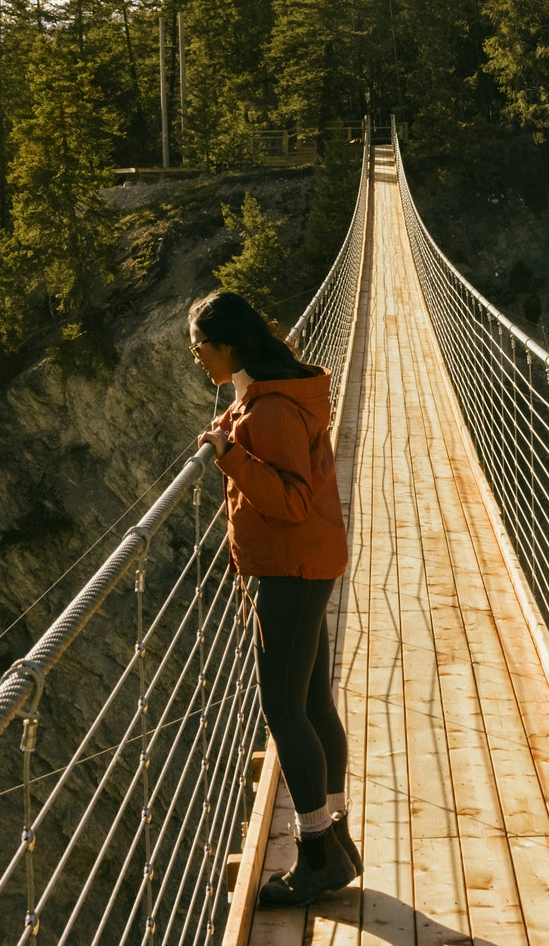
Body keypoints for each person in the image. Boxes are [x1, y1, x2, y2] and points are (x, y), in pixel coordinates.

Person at [189, 290, 359, 904]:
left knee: (285, 710)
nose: (197, 357)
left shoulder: (273, 410)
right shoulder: (268, 396)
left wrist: (229, 456)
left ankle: (315, 857)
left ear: (227, 344)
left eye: (199, 346)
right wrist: (233, 432)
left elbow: (288, 501)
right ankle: (336, 840)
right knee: (313, 703)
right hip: (307, 562)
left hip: (291, 568)